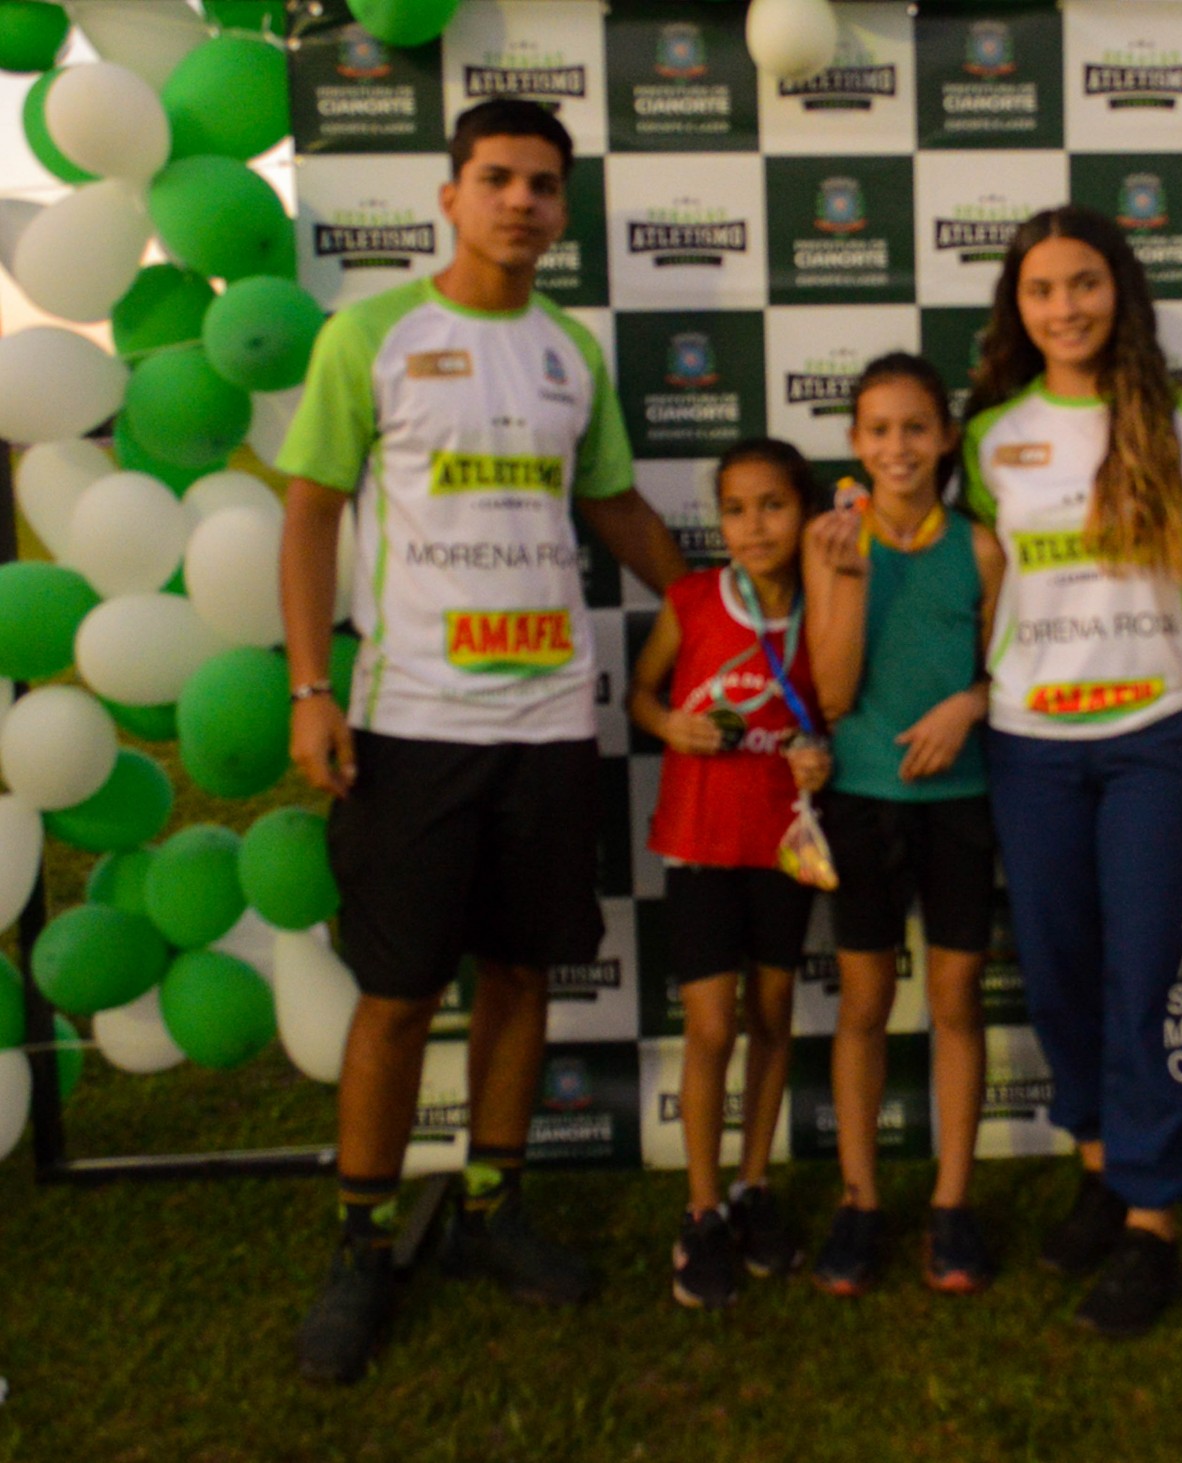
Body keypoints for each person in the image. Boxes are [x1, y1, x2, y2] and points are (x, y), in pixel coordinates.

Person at [278, 98, 688, 1383]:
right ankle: (361, 1245)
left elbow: (613, 502)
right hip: (411, 723)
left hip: (551, 718)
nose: (522, 201)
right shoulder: (371, 336)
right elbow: (309, 512)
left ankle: (493, 1211)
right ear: (450, 195)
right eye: (499, 178)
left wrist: (724, 610)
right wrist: (309, 684)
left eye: (544, 185)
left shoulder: (571, 350)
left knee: (519, 973)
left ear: (563, 210)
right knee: (399, 995)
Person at [961, 204, 1182, 1336]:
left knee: (1153, 974)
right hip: (1029, 739)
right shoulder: (991, 436)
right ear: (1017, 307)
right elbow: (976, 582)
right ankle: (1100, 1162)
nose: (1065, 307)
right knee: (1059, 969)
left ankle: (1152, 1216)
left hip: (1159, 735)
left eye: (1083, 283)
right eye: (1041, 290)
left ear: (1121, 291)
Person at [801, 353, 1007, 1297]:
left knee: (957, 999)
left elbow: (1004, 673)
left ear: (947, 438)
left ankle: (952, 1202)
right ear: (854, 441)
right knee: (865, 1002)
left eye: (916, 427)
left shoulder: (982, 549)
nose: (898, 447)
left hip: (960, 802)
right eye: (879, 430)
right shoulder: (830, 541)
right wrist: (846, 580)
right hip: (862, 797)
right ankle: (860, 1198)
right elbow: (834, 694)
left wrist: (968, 703)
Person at [628, 438, 831, 1310]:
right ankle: (702, 1208)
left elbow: (839, 709)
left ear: (805, 512)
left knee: (772, 1015)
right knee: (711, 1027)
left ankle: (753, 1186)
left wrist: (821, 755)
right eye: (736, 510)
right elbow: (639, 694)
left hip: (784, 844)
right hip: (703, 841)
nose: (753, 526)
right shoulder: (693, 599)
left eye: (773, 506)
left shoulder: (829, 603)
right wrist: (669, 725)